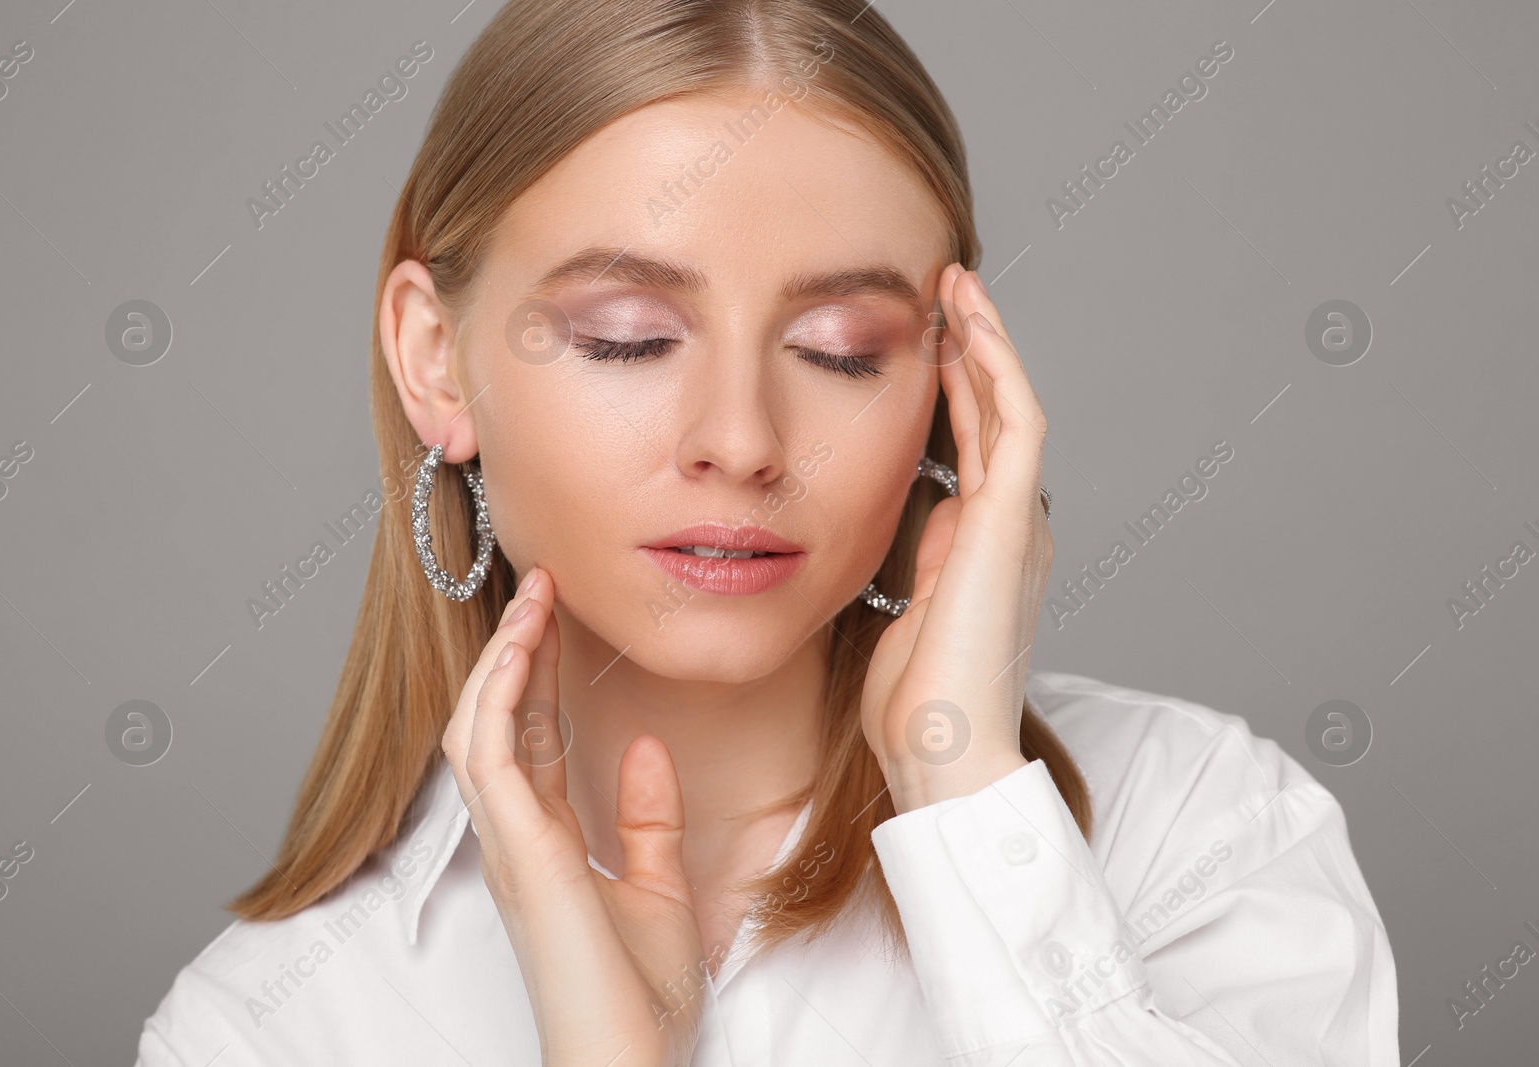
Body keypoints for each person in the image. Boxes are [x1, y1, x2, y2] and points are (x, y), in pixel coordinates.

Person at [135, 0, 1399, 1063]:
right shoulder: (270, 1020)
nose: (740, 438)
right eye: (626, 336)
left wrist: (955, 776)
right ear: (435, 361)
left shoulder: (1202, 830)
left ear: (950, 383)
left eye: (839, 351)